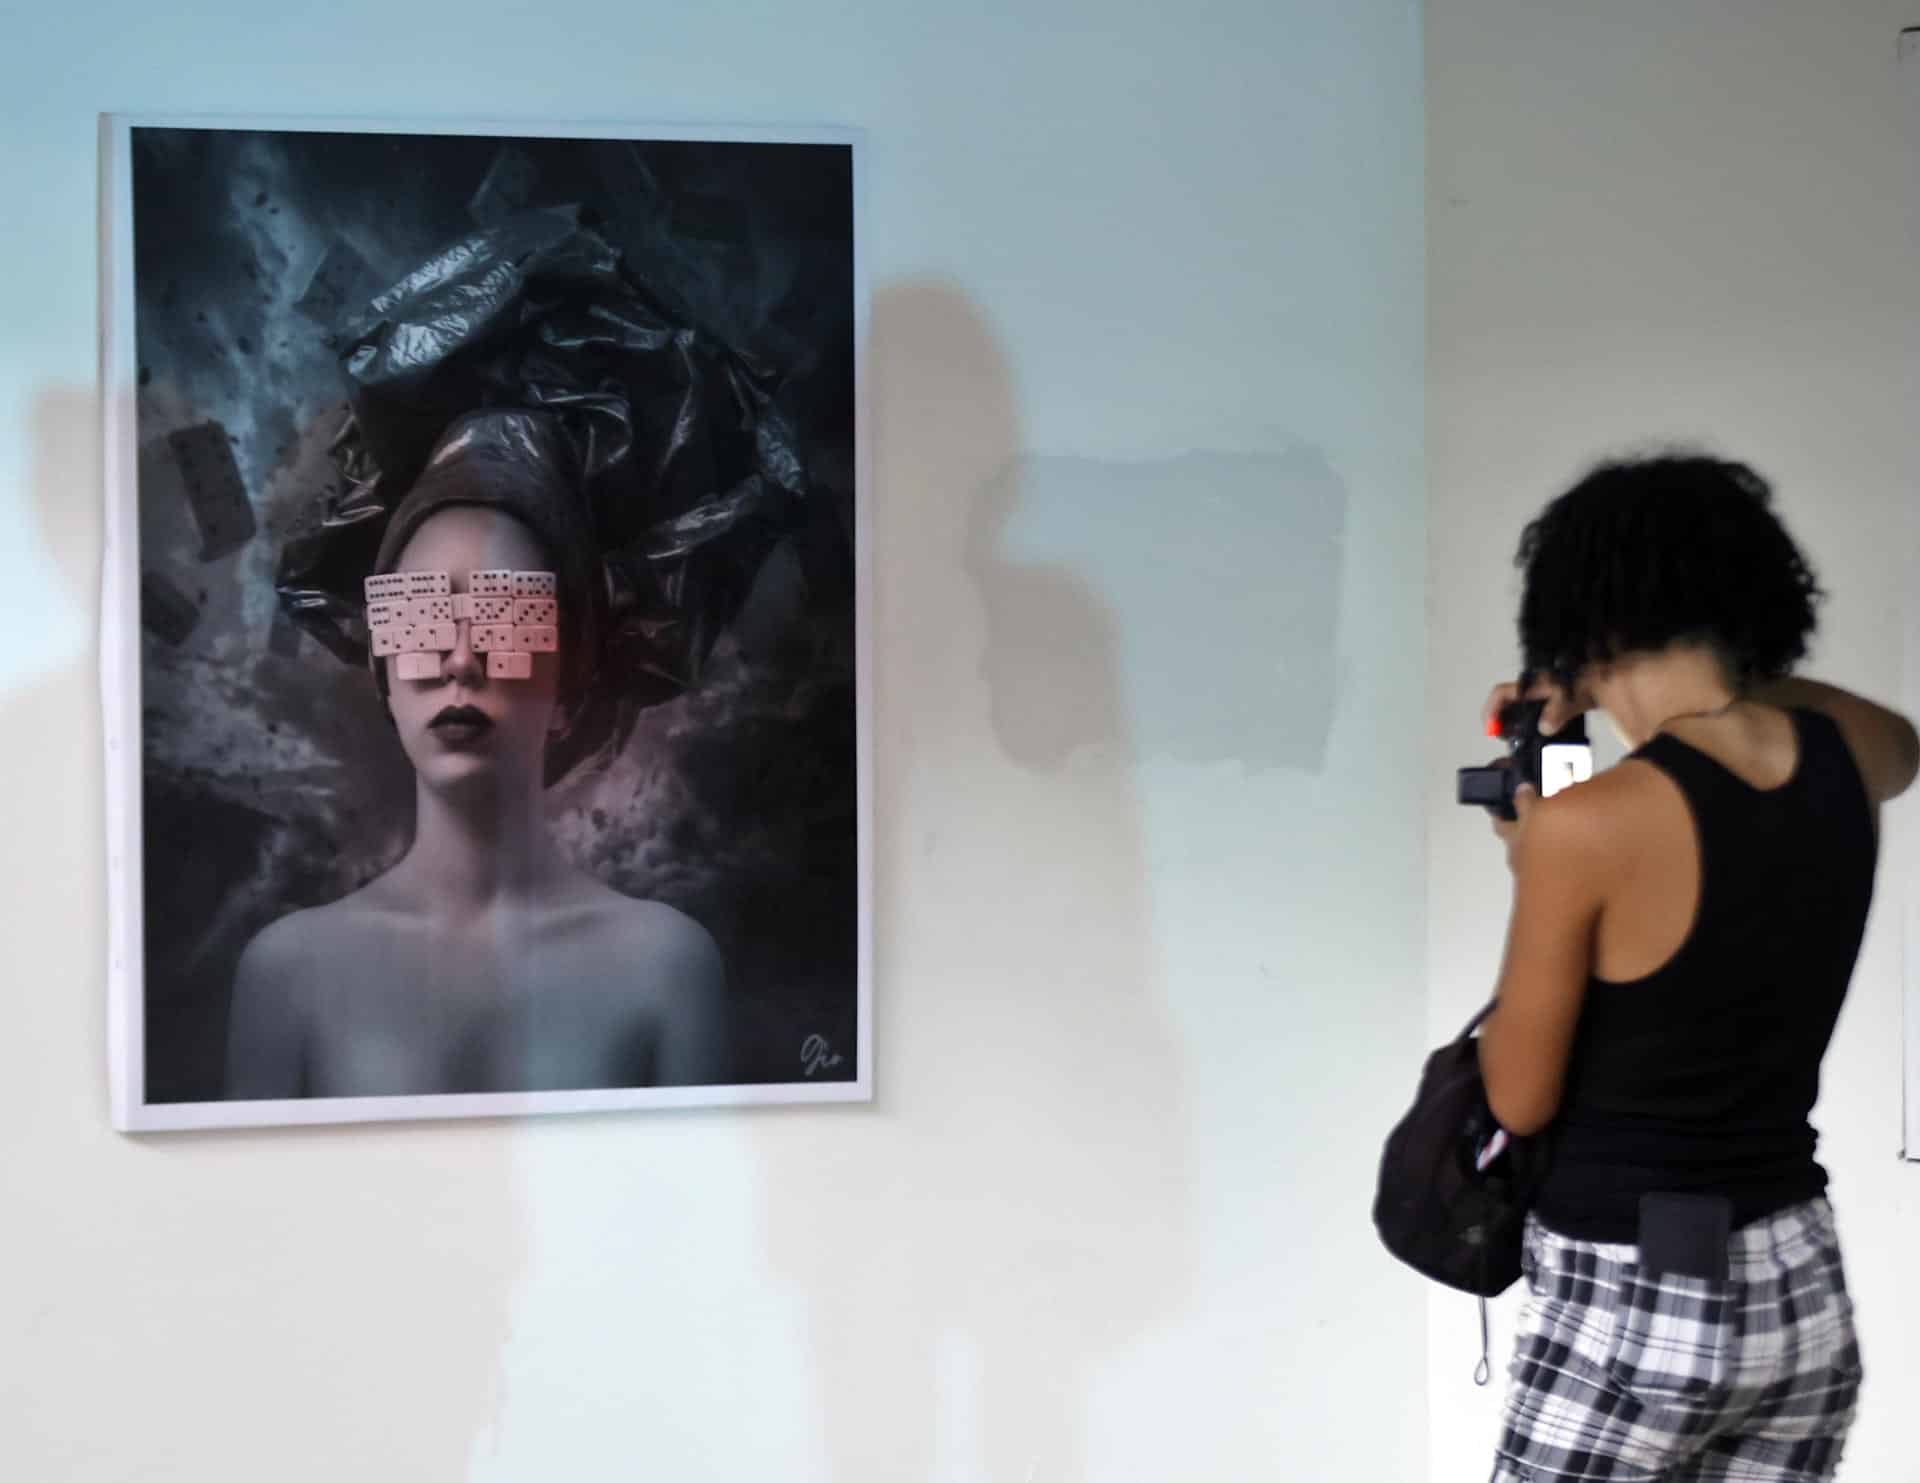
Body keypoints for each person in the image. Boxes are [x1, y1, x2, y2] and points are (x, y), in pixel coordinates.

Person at [1474, 454, 1918, 1481]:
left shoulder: (1587, 825)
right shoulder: (1856, 755)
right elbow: (1896, 737)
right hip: (1800, 1282)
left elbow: (1520, 1098)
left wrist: (1531, 850)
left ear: (1579, 622)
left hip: (1632, 1288)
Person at [226, 410, 729, 1098]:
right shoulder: (284, 973)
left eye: (506, 616)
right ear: (385, 675)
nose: (461, 660)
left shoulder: (670, 965)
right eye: (420, 617)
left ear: (567, 684)